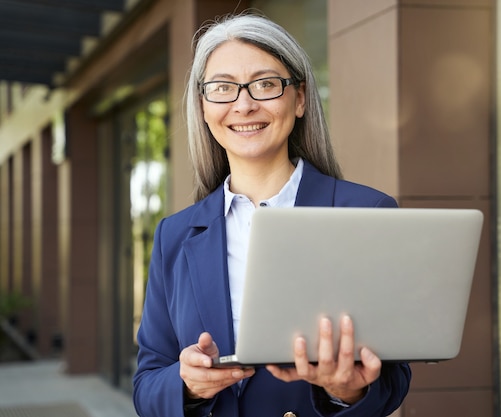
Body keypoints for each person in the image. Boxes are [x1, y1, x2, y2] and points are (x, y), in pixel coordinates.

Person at [132, 12, 412, 417]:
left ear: (299, 99)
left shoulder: (368, 214)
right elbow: (146, 385)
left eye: (265, 84)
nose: (244, 105)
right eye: (223, 88)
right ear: (204, 107)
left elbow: (394, 379)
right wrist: (186, 385)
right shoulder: (174, 235)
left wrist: (347, 391)